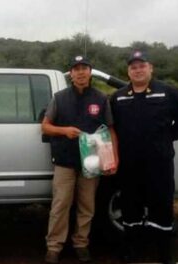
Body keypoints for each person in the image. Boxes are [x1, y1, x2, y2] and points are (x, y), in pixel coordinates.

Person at [110, 50, 178, 264]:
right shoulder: (118, 97)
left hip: (159, 163)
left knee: (162, 206)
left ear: (151, 68)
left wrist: (166, 140)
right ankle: (131, 249)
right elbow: (111, 128)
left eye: (142, 66)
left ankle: (165, 254)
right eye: (133, 67)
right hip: (129, 164)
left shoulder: (168, 92)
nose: (138, 70)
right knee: (130, 206)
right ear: (128, 71)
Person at [42, 55, 118, 264]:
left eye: (84, 68)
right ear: (71, 74)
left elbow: (110, 130)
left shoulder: (101, 99)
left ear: (90, 72)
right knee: (60, 206)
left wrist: (112, 159)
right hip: (65, 161)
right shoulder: (59, 97)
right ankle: (54, 247)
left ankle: (81, 244)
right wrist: (63, 130)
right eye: (76, 69)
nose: (81, 72)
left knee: (87, 206)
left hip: (91, 162)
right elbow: (45, 126)